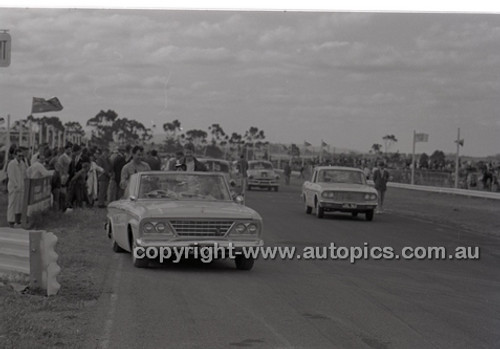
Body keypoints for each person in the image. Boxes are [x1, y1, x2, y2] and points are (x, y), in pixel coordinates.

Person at [7, 148, 28, 227]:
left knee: (19, 204)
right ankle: (10, 221)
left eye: (22, 156)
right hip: (14, 187)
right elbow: (11, 176)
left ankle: (17, 220)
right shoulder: (12, 164)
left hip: (21, 186)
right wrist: (16, 185)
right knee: (12, 204)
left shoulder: (22, 163)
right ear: (15, 155)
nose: (20, 157)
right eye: (19, 156)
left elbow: (25, 173)